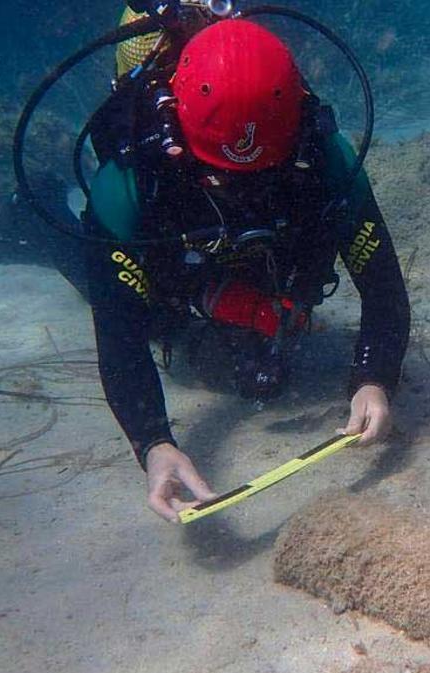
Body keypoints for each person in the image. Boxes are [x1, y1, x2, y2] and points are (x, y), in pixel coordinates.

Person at [79, 18, 410, 523]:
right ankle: (35, 234)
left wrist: (373, 377)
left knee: (271, 370)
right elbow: (118, 332)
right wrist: (153, 443)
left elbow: (382, 285)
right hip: (177, 279)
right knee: (135, 312)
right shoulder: (125, 185)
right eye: (218, 177)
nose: (242, 195)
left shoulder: (326, 157)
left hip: (266, 271)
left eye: (263, 176)